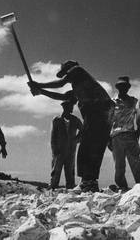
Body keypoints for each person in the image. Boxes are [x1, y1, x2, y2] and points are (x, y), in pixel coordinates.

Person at [28, 60, 114, 192]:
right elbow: (63, 96)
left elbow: (60, 83)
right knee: (89, 148)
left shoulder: (77, 70)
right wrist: (41, 91)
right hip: (99, 114)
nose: (66, 77)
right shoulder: (78, 87)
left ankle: (88, 182)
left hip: (99, 111)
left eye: (66, 74)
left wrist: (38, 84)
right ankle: (89, 182)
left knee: (90, 148)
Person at [110, 76, 140, 191]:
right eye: (121, 86)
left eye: (125, 86)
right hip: (116, 137)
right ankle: (122, 187)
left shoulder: (134, 101)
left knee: (136, 162)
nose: (123, 89)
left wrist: (138, 132)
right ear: (118, 88)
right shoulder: (112, 102)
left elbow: (139, 117)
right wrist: (108, 138)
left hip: (130, 135)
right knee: (119, 165)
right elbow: (109, 120)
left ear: (128, 88)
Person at [50, 100, 83, 189]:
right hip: (59, 151)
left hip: (71, 151)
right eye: (69, 106)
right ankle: (52, 188)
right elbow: (53, 137)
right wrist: (54, 150)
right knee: (56, 172)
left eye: (71, 106)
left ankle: (70, 190)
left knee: (70, 172)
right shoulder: (56, 120)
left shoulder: (75, 120)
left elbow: (83, 131)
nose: (71, 108)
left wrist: (76, 140)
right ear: (64, 107)